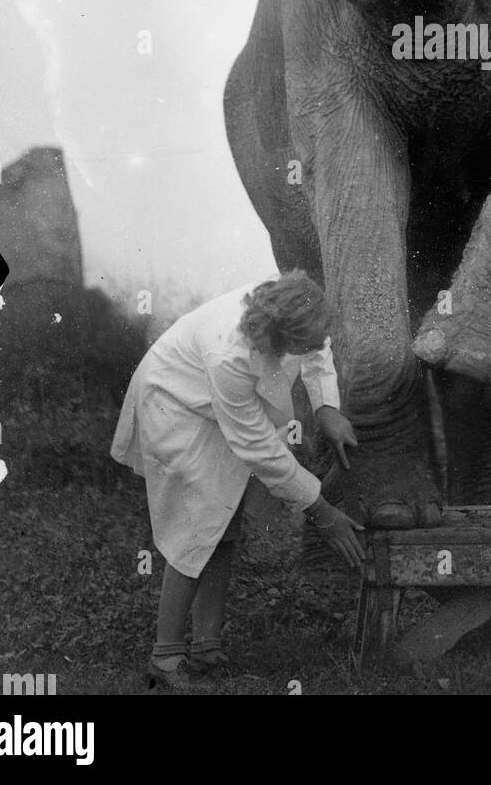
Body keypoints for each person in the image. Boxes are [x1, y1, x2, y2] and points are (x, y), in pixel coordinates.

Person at [111, 269, 364, 688]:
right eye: (301, 343)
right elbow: (259, 448)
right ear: (277, 338)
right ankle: (166, 657)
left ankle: (206, 648)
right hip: (176, 405)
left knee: (223, 524)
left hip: (214, 407)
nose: (314, 347)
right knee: (194, 527)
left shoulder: (293, 309)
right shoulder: (229, 355)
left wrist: (326, 408)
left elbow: (319, 348)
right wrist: (319, 509)